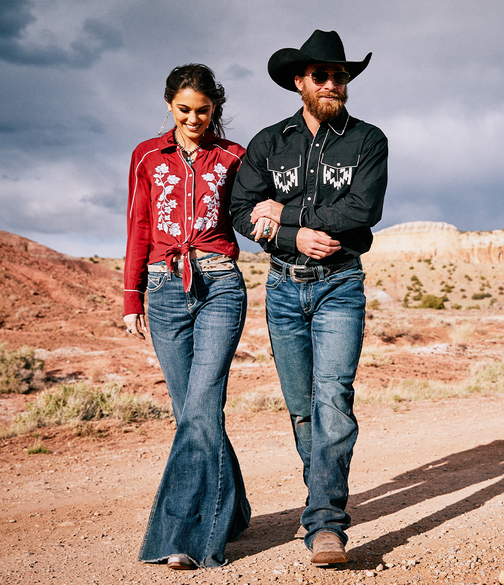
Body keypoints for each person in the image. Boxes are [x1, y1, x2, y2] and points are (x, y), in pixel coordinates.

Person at [230, 30, 388, 566]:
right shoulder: (269, 143)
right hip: (282, 287)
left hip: (340, 283)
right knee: (302, 410)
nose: (332, 83)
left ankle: (325, 523)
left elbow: (361, 212)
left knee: (334, 400)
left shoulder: (368, 140)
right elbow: (241, 211)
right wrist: (290, 238)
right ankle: (320, 494)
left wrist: (288, 216)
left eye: (340, 75)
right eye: (321, 75)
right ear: (299, 81)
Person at [123, 63, 250, 570]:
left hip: (220, 284)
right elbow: (137, 222)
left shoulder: (234, 156)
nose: (194, 118)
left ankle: (187, 536)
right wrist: (131, 297)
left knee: (200, 408)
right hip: (163, 287)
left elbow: (250, 211)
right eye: (184, 109)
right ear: (168, 105)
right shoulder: (147, 156)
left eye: (203, 110)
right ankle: (233, 511)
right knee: (190, 413)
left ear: (215, 107)